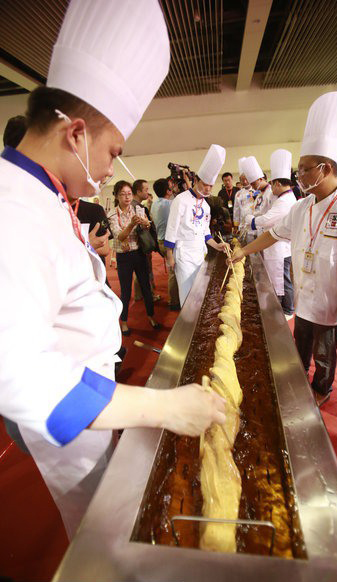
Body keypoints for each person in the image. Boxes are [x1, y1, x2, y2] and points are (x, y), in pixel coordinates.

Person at [0, 0, 225, 540]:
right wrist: (162, 406)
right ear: (76, 133)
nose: (109, 170)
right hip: (72, 414)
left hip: (98, 395)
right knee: (104, 533)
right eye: (113, 152)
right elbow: (18, 374)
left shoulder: (45, 195)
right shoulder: (13, 208)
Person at [231, 92, 337, 407]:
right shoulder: (302, 208)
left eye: (304, 169)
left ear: (325, 169)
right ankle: (298, 379)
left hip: (332, 299)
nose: (298, 176)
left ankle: (322, 388)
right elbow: (273, 234)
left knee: (325, 350)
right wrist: (242, 253)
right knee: (300, 342)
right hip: (306, 297)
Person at [165, 144, 227, 305]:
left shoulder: (206, 206)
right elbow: (171, 229)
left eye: (211, 186)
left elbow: (205, 233)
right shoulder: (181, 200)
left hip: (200, 253)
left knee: (200, 293)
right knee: (186, 295)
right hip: (184, 254)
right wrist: (169, 256)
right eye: (205, 184)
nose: (208, 189)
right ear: (197, 180)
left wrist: (217, 245)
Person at [244, 149, 297, 319]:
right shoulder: (282, 198)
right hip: (274, 243)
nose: (270, 187)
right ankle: (282, 305)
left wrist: (251, 220)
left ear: (278, 184)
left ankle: (288, 309)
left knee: (284, 279)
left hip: (281, 247)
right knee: (278, 279)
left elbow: (267, 219)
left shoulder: (285, 201)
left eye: (272, 183)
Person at [108, 181, 160, 333]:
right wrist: (131, 224)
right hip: (123, 257)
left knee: (146, 286)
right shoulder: (111, 214)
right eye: (123, 194)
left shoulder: (138, 208)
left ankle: (151, 316)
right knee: (125, 291)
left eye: (129, 193)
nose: (127, 197)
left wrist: (145, 223)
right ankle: (123, 321)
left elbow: (147, 226)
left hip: (139, 253)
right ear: (117, 196)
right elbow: (119, 237)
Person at [152, 178, 180, 310]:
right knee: (174, 272)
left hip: (160, 240)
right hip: (168, 243)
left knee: (172, 271)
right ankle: (174, 302)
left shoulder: (155, 203)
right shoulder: (169, 204)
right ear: (167, 190)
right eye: (170, 187)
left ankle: (174, 299)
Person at [131, 179, 160, 303]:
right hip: (142, 243)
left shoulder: (135, 206)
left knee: (140, 271)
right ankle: (149, 295)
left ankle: (139, 295)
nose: (148, 192)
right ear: (138, 191)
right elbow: (140, 227)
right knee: (145, 270)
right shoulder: (136, 207)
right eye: (146, 190)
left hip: (139, 243)